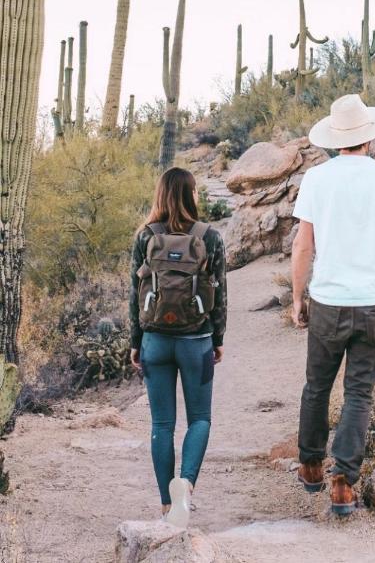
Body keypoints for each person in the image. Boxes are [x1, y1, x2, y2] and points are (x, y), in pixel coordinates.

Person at [291, 93, 375, 516]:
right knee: (358, 393)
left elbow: (303, 246)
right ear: (368, 137)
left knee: (317, 385)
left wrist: (296, 296)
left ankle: (310, 465)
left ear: (335, 139)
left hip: (328, 300)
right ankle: (343, 481)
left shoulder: (316, 179)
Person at [129, 167, 227, 527]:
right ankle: (185, 484)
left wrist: (136, 342)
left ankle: (167, 506)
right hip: (196, 342)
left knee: (162, 423)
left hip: (155, 341)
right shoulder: (209, 237)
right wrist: (216, 340)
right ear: (191, 194)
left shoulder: (145, 236)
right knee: (200, 418)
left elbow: (133, 295)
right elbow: (221, 295)